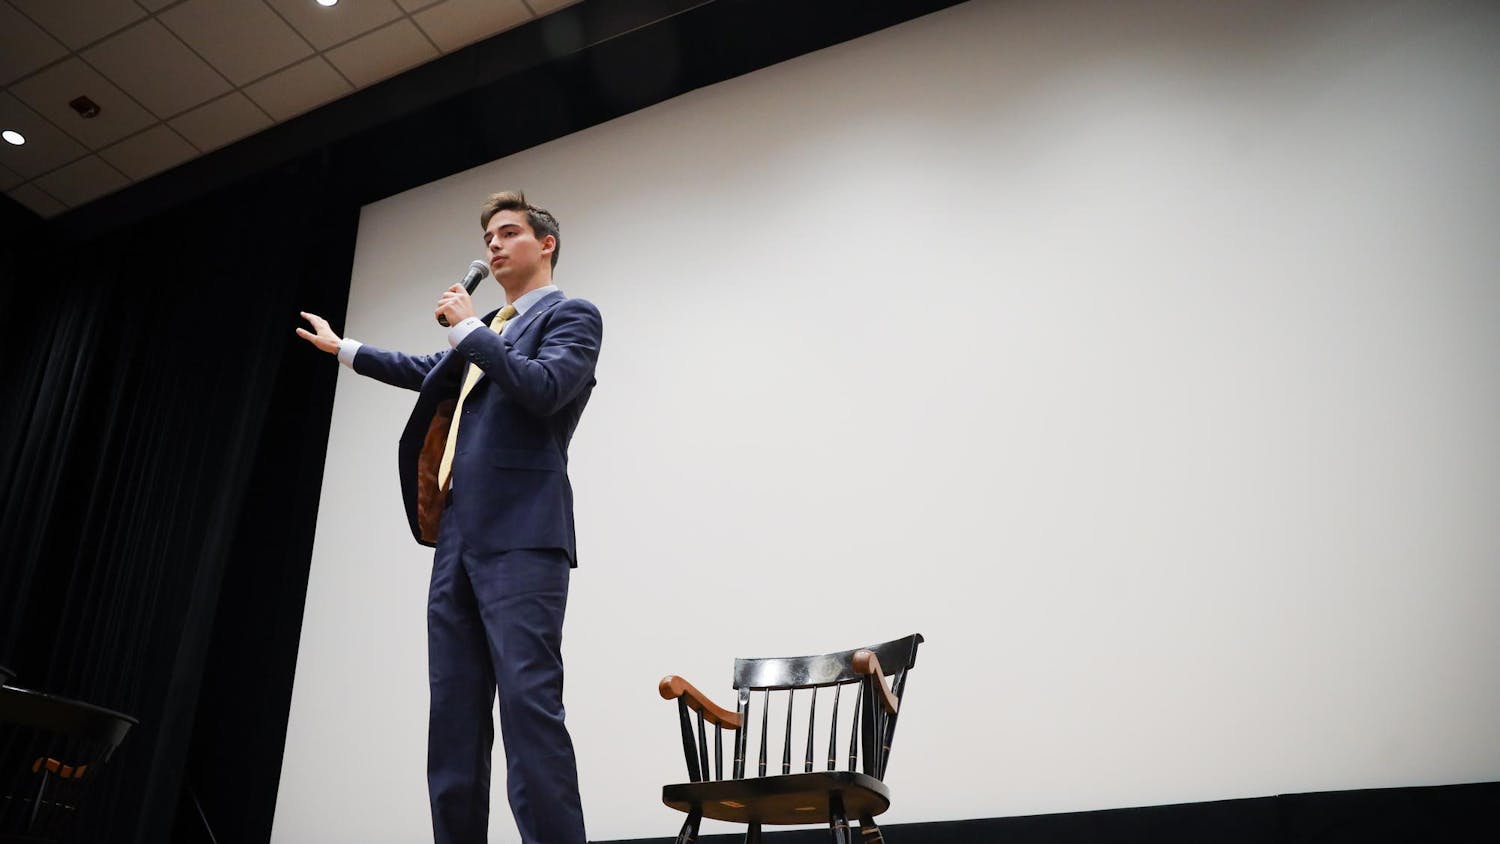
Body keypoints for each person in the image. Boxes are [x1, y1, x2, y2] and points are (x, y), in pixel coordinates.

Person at [296, 191, 599, 844]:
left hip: (523, 536)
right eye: (488, 236)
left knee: (528, 712)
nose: (493, 245)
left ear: (545, 244)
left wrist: (470, 330)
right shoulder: (488, 326)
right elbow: (427, 371)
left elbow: (545, 388)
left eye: (508, 233)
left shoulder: (573, 316)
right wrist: (344, 348)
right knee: (454, 720)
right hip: (455, 535)